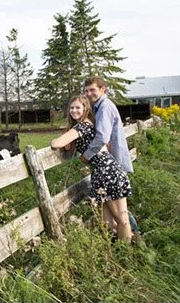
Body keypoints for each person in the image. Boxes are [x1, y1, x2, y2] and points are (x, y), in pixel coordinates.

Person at [50, 93, 133, 241]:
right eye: (71, 108)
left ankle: (131, 253)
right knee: (107, 222)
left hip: (107, 171)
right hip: (102, 171)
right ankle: (120, 250)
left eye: (78, 107)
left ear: (85, 109)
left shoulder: (82, 126)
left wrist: (56, 139)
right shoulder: (88, 124)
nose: (74, 110)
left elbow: (56, 144)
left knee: (122, 220)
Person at [79, 76, 135, 241]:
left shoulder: (105, 107)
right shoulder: (98, 107)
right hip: (106, 167)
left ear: (103, 89)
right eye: (87, 91)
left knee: (121, 217)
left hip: (110, 167)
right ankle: (127, 244)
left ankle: (130, 248)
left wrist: (86, 155)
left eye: (93, 90)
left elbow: (102, 136)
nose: (89, 94)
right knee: (109, 220)